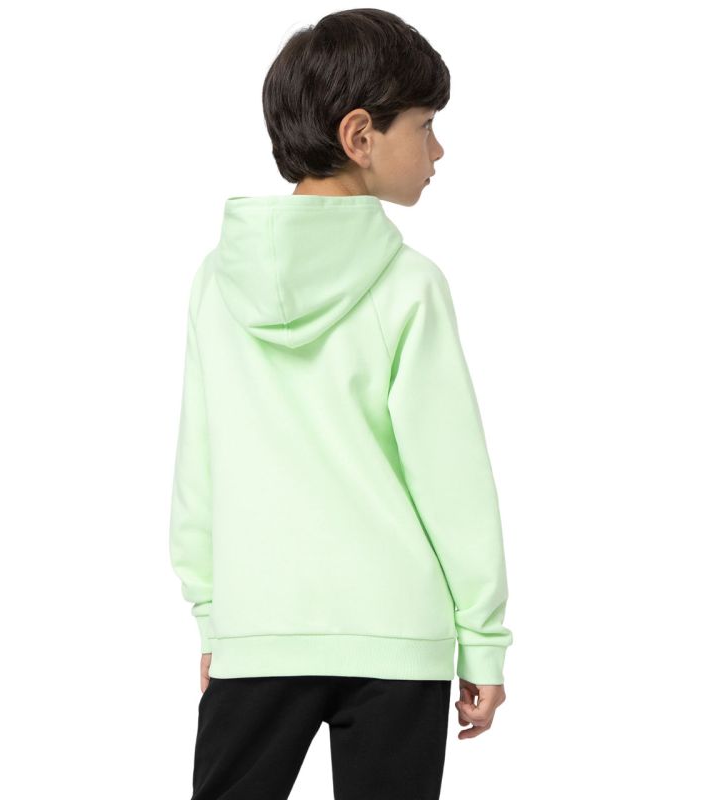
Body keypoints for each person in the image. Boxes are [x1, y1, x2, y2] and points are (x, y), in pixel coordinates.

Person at [168, 9, 513, 799]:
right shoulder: (409, 285)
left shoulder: (217, 279)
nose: (438, 151)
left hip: (259, 628)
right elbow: (451, 479)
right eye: (426, 126)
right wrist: (482, 643)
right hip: (397, 635)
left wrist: (216, 617)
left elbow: (200, 467)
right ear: (360, 135)